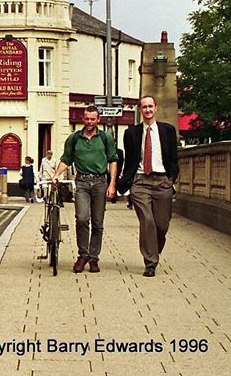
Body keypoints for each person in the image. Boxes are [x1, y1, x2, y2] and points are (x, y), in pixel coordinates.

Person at [117, 95, 180, 277]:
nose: (148, 110)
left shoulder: (167, 130)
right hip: (140, 181)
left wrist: (171, 179)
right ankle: (150, 262)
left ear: (156, 108)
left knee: (161, 225)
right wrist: (124, 181)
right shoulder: (131, 133)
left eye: (150, 106)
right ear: (140, 110)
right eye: (144, 107)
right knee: (147, 221)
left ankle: (154, 248)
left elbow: (174, 158)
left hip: (162, 182)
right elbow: (130, 160)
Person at [52, 106, 118, 274]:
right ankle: (83, 255)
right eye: (87, 119)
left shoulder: (106, 138)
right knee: (82, 219)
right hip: (81, 182)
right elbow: (66, 159)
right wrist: (57, 175)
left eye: (93, 119)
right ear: (83, 119)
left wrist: (112, 184)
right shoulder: (74, 138)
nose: (89, 122)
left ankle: (94, 259)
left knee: (98, 223)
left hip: (100, 182)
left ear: (98, 120)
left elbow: (113, 160)